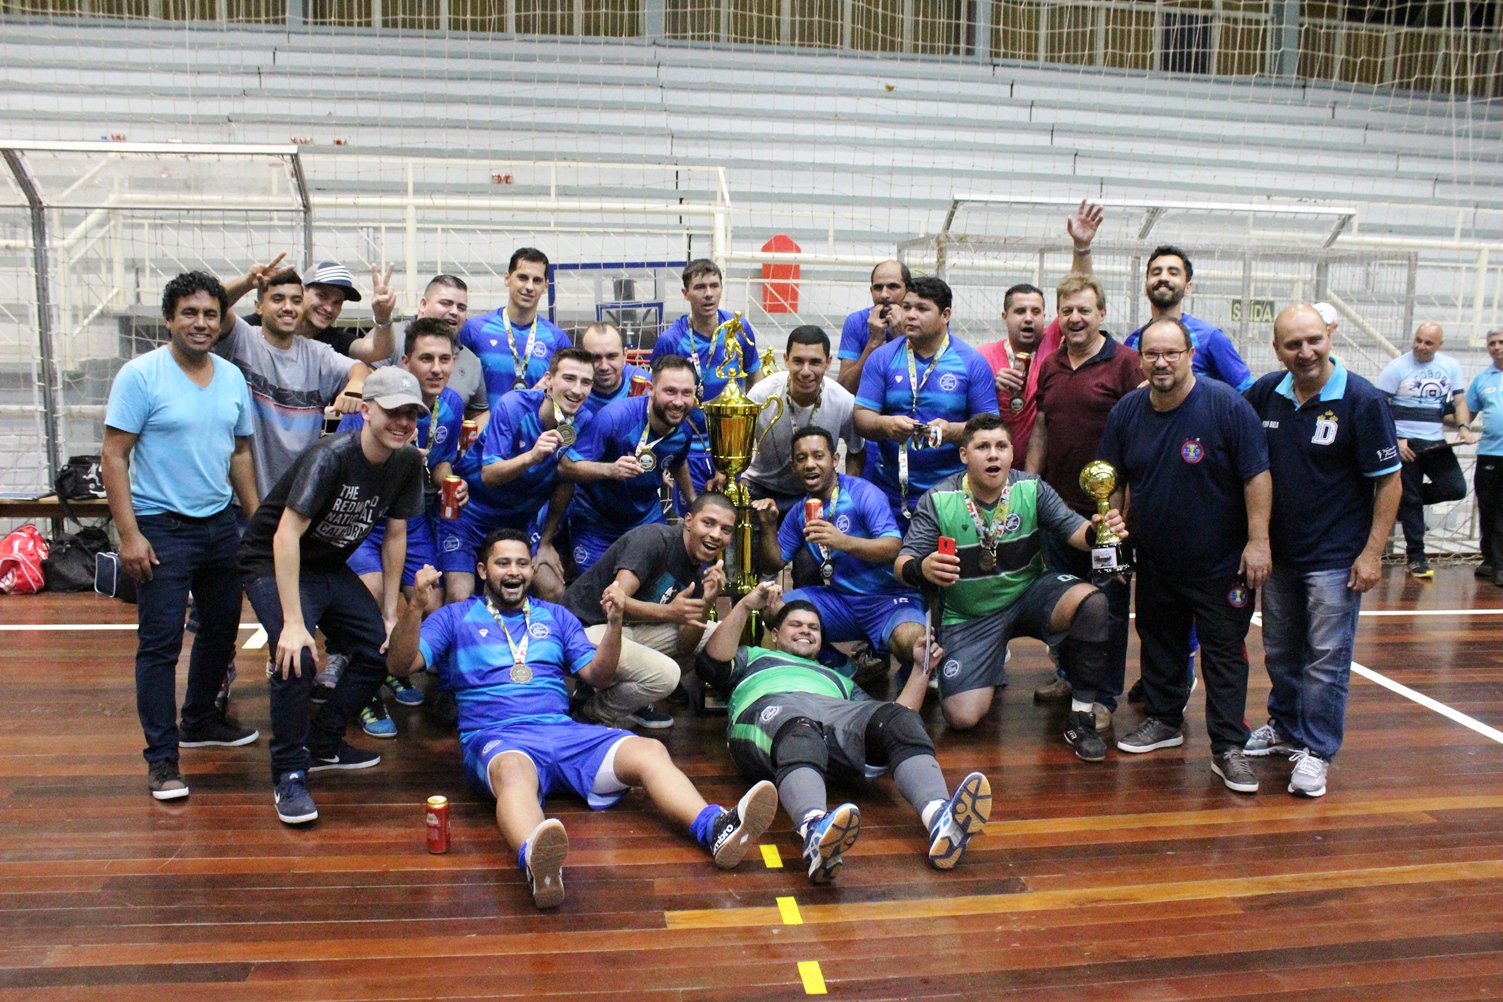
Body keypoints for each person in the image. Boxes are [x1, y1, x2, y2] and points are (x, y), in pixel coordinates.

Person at [386, 531, 777, 909]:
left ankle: (715, 828)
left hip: (563, 733)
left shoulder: (556, 617)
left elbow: (598, 676)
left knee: (648, 750)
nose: (514, 571)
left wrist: (616, 625)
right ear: (483, 570)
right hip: (496, 737)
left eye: (523, 563)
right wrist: (416, 608)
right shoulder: (455, 617)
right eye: (503, 562)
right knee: (513, 771)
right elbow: (401, 663)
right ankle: (537, 865)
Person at [698, 581, 992, 884]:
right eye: (795, 624)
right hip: (769, 710)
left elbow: (898, 717)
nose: (806, 630)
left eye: (814, 627)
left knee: (896, 721)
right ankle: (814, 830)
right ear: (774, 635)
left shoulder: (839, 679)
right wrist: (746, 605)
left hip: (830, 714)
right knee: (799, 730)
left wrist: (921, 669)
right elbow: (711, 665)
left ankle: (940, 818)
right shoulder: (754, 656)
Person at [237, 366, 428, 824]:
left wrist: (388, 614)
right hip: (272, 559)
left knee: (376, 651)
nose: (402, 422)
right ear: (365, 411)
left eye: (411, 414)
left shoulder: (406, 462)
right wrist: (294, 624)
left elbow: (395, 536)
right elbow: (284, 536)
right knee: (296, 658)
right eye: (392, 412)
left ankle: (322, 743)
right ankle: (289, 773)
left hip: (325, 564)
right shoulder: (330, 457)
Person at [101, 271, 261, 800]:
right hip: (160, 526)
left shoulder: (232, 378)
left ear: (221, 320)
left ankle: (198, 720)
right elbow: (114, 455)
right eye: (189, 313)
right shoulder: (141, 375)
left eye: (210, 314)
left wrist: (256, 522)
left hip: (219, 524)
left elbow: (240, 454)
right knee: (160, 644)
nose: (200, 323)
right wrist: (129, 535)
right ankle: (162, 761)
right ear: (169, 319)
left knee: (220, 629)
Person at [1100, 317, 1272, 795]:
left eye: (1171, 353)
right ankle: (1163, 720)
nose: (1161, 362)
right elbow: (1110, 478)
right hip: (1154, 557)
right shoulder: (1127, 412)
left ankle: (1228, 747)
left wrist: (1258, 541)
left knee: (1222, 654)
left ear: (1190, 354)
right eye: (1152, 354)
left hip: (1221, 564)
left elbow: (1257, 475)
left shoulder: (1226, 406)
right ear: (1140, 359)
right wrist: (1112, 535)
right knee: (1158, 641)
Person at [895, 414, 1127, 761]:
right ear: (964, 455)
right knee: (961, 717)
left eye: (1001, 446)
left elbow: (1075, 532)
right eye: (982, 447)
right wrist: (922, 567)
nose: (993, 455)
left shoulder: (1031, 488)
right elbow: (901, 565)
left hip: (1028, 595)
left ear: (1011, 452)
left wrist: (1099, 532)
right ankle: (990, 658)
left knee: (1091, 603)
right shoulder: (938, 499)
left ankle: (1081, 716)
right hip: (970, 614)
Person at [1244, 305, 1402, 797]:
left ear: (1329, 336)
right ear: (1277, 350)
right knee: (1281, 651)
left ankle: (1317, 750)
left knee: (1327, 659)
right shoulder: (1266, 392)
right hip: (1279, 556)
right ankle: (1286, 727)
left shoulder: (1362, 400)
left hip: (1335, 559)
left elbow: (1390, 482)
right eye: (1293, 344)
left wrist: (1372, 553)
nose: (1305, 352)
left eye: (1314, 340)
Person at [337, 318, 468, 737]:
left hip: (409, 519)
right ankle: (365, 691)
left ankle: (397, 667)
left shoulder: (452, 405)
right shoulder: (372, 401)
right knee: (373, 595)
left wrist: (453, 482)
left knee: (433, 602)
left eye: (444, 359)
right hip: (362, 518)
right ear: (406, 361)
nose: (436, 368)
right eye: (425, 358)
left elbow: (440, 462)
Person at [1025, 273, 1141, 715]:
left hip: (1107, 519)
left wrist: (1123, 513)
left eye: (1084, 310)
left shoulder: (1127, 363)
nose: (1075, 318)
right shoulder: (1051, 364)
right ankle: (1070, 678)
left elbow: (1139, 434)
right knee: (1064, 600)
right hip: (1059, 514)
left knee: (1108, 603)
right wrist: (1029, 489)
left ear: (1102, 315)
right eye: (1067, 310)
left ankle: (1103, 698)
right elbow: (1040, 430)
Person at [753, 426, 925, 670]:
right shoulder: (799, 512)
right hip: (842, 602)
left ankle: (910, 675)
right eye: (801, 459)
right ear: (794, 467)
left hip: (890, 598)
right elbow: (774, 563)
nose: (810, 464)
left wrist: (843, 541)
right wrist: (769, 525)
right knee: (774, 609)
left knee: (911, 641)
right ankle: (842, 665)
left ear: (835, 460)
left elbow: (893, 548)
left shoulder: (863, 493)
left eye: (818, 456)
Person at [562, 493, 735, 729]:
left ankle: (624, 701)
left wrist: (707, 601)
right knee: (667, 675)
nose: (716, 535)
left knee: (713, 634)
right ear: (688, 521)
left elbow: (685, 647)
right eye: (708, 523)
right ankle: (591, 714)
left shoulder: (699, 572)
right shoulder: (654, 539)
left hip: (626, 631)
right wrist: (670, 613)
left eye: (726, 529)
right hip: (582, 629)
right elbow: (614, 601)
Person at [440, 347, 596, 603]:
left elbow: (566, 481)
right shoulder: (513, 405)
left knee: (554, 591)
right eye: (569, 378)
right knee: (460, 595)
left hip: (518, 526)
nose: (577, 390)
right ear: (549, 380)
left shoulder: (584, 422)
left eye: (586, 382)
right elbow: (489, 475)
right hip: (469, 516)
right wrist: (532, 456)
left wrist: (545, 542)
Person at [216, 261, 368, 499]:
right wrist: (247, 282)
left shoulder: (318, 353)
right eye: (277, 299)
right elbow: (211, 304)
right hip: (239, 501)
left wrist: (356, 386)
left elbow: (359, 368)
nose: (288, 307)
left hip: (295, 501)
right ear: (259, 306)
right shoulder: (243, 339)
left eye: (296, 301)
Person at [853, 276, 999, 523]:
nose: (910, 315)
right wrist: (885, 425)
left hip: (953, 494)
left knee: (944, 562)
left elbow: (991, 429)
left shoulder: (971, 363)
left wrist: (951, 431)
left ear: (946, 315)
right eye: (907, 307)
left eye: (922, 309)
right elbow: (861, 417)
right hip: (889, 491)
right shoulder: (882, 358)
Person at [977, 200, 1101, 465]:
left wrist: (1081, 247)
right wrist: (989, 384)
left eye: (1036, 312)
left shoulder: (1054, 342)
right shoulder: (983, 357)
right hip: (994, 469)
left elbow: (1079, 292)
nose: (1028, 318)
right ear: (1004, 317)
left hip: (1045, 469)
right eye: (1020, 311)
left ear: (1047, 317)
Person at [559, 355, 698, 571]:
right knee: (597, 595)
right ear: (651, 389)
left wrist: (694, 502)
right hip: (597, 523)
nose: (679, 402)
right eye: (670, 391)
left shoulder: (684, 431)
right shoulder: (615, 418)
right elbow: (566, 467)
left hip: (646, 520)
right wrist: (610, 470)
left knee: (651, 591)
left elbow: (678, 463)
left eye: (686, 393)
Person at [650, 258, 762, 500]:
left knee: (731, 517)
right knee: (695, 520)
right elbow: (656, 397)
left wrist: (747, 437)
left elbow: (756, 379)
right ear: (686, 293)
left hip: (732, 448)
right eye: (700, 287)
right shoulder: (671, 340)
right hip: (688, 451)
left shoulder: (739, 328)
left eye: (714, 286)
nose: (708, 294)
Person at [1377, 322, 1476, 579]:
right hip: (1406, 444)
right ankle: (1416, 558)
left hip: (1435, 442)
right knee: (1411, 499)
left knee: (1454, 488)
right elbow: (1379, 407)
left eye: (1428, 343)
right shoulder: (1397, 367)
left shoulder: (1450, 366)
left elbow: (1459, 401)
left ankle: (1399, 504)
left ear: (1439, 345)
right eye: (1418, 340)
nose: (1421, 346)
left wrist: (1464, 426)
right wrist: (1396, 440)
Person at [744, 325, 866, 526]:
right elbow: (739, 449)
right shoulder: (761, 395)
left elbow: (857, 451)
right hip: (760, 489)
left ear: (828, 363)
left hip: (814, 494)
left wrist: (844, 495)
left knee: (810, 558)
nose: (806, 371)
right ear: (786, 359)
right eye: (798, 361)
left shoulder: (843, 400)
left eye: (815, 362)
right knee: (752, 555)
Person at [1123, 246, 1255, 393]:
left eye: (1173, 273)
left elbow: (1249, 391)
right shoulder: (1132, 342)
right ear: (1146, 286)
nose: (1163, 277)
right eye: (1156, 272)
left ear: (1188, 287)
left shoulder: (1210, 338)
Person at [461, 247, 571, 409]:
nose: (529, 286)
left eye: (537, 280)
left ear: (546, 286)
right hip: (487, 433)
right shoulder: (475, 329)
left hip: (535, 434)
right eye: (522, 277)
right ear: (507, 278)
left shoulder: (557, 339)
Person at [835, 260, 910, 395]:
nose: (884, 295)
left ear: (908, 289)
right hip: (865, 408)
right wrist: (873, 343)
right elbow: (844, 390)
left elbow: (925, 386)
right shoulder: (856, 321)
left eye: (893, 287)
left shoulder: (922, 323)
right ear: (871, 291)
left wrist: (900, 337)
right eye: (878, 287)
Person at [1466, 328, 1503, 586]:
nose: (1497, 347)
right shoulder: (1482, 380)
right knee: (1488, 508)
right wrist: (1460, 426)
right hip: (1489, 453)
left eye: (1501, 342)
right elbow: (1465, 412)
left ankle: (1501, 564)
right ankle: (1489, 559)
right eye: (1492, 343)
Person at [579, 321, 649, 418]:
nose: (604, 366)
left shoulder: (647, 384)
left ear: (625, 355)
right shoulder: (573, 392)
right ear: (582, 358)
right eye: (595, 358)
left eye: (611, 356)